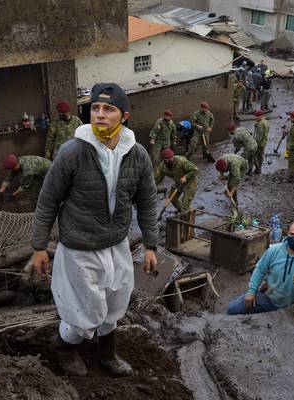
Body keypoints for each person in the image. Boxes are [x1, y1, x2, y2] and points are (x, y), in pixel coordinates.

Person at [30, 83, 158, 377]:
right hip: (79, 247)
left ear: (123, 116)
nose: (100, 115)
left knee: (115, 303)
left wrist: (151, 245)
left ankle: (107, 353)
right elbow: (48, 200)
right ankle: (63, 347)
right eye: (95, 109)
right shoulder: (73, 152)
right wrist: (39, 247)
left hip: (116, 244)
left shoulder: (137, 155)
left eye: (108, 109)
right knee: (83, 312)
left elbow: (148, 202)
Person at [226, 220, 294, 315]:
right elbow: (259, 269)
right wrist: (251, 292)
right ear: (287, 234)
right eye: (292, 234)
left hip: (293, 307)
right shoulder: (274, 250)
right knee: (233, 309)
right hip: (269, 299)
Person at [154, 149, 198, 214]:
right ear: (164, 159)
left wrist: (186, 177)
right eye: (168, 159)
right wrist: (151, 187)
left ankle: (184, 214)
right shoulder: (163, 166)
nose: (171, 159)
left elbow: (195, 170)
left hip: (190, 181)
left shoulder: (181, 161)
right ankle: (180, 210)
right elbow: (157, 178)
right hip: (179, 182)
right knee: (172, 196)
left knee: (185, 203)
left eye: (172, 158)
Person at [253, 110, 270, 174]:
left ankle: (258, 169)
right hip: (264, 141)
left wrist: (255, 144)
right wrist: (257, 123)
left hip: (259, 143)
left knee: (254, 156)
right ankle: (259, 167)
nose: (256, 118)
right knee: (260, 156)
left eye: (257, 117)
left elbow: (259, 136)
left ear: (261, 116)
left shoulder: (260, 124)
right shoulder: (266, 121)